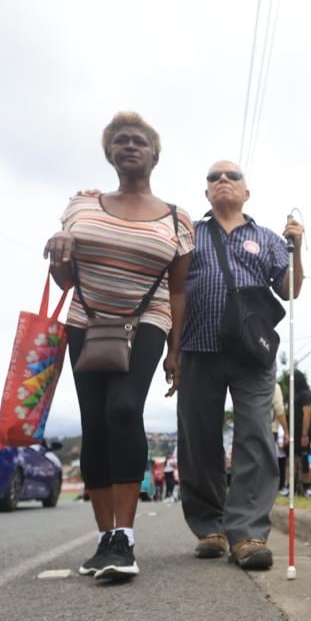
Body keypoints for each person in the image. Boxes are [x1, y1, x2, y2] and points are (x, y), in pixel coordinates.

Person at [44, 111, 192, 582]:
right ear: (109, 153)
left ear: (154, 154)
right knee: (94, 422)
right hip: (86, 318)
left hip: (146, 319)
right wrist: (59, 252)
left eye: (140, 141)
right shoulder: (81, 206)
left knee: (124, 410)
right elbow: (65, 278)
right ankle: (104, 536)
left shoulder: (176, 218)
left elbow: (179, 290)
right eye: (121, 141)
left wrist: (176, 349)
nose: (130, 146)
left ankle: (124, 537)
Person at [174, 160, 303, 570]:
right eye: (214, 177)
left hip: (252, 352)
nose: (223, 180)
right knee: (199, 439)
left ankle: (247, 532)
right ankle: (209, 527)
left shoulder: (266, 238)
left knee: (255, 436)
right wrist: (171, 350)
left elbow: (289, 289)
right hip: (197, 346)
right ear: (206, 192)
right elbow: (173, 291)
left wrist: (296, 249)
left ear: (246, 192)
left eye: (232, 176)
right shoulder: (189, 234)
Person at [289, 369, 311, 495]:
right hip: (295, 433)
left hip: (302, 433)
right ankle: (293, 487)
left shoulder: (305, 394)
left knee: (304, 459)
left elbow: (307, 413)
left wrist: (305, 434)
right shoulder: (295, 396)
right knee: (294, 459)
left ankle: (307, 487)